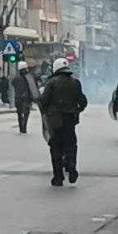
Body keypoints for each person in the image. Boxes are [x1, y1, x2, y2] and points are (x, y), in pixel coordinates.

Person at [38, 58, 88, 186]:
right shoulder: (75, 83)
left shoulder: (51, 83)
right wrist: (77, 110)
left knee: (56, 148)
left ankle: (58, 177)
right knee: (71, 145)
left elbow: (44, 101)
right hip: (70, 119)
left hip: (55, 120)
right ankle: (72, 168)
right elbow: (83, 101)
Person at [11, 61, 38, 134]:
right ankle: (24, 127)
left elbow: (13, 83)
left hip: (18, 98)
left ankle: (21, 127)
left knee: (19, 113)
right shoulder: (30, 77)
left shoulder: (16, 78)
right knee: (26, 113)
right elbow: (34, 87)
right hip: (26, 98)